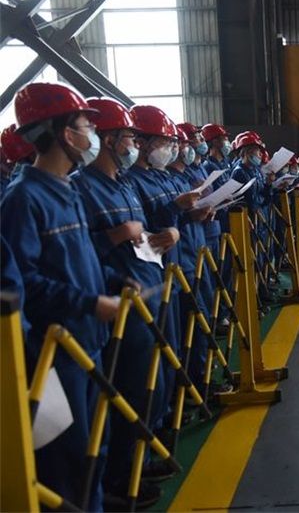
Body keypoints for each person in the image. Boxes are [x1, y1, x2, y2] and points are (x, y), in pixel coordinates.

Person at [1, 81, 121, 511]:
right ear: (64, 132)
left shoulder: (68, 190)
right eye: (86, 124)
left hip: (90, 341)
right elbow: (22, 283)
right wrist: (88, 303)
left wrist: (111, 282)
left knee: (97, 449)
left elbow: (80, 257)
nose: (91, 133)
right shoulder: (22, 200)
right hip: (57, 352)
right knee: (69, 462)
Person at [71, 97, 166, 507]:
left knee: (150, 387)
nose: (134, 144)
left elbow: (140, 237)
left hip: (147, 293)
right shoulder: (81, 188)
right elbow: (78, 252)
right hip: (118, 306)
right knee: (123, 392)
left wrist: (162, 239)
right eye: (129, 136)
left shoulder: (125, 185)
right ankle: (118, 480)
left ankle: (138, 462)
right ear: (109, 140)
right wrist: (115, 236)